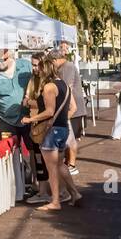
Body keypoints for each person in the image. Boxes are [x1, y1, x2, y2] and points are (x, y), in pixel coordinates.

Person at [21, 52, 82, 212]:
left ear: (44, 68)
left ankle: (55, 201)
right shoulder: (63, 84)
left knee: (52, 167)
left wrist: (30, 120)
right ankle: (74, 193)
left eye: (39, 67)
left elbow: (49, 111)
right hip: (62, 128)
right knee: (60, 164)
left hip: (52, 131)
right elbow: (72, 108)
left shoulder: (49, 87)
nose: (37, 70)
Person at [0, 48, 36, 198]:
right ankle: (12, 186)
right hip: (6, 120)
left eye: (4, 59)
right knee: (8, 152)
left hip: (28, 117)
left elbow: (37, 81)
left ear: (11, 56)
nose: (0, 62)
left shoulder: (25, 66)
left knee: (33, 150)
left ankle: (35, 183)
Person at [54, 43, 85, 176]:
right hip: (70, 107)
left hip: (74, 108)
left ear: (55, 60)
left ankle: (72, 164)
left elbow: (67, 88)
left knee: (72, 138)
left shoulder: (68, 67)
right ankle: (69, 163)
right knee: (68, 137)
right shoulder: (63, 67)